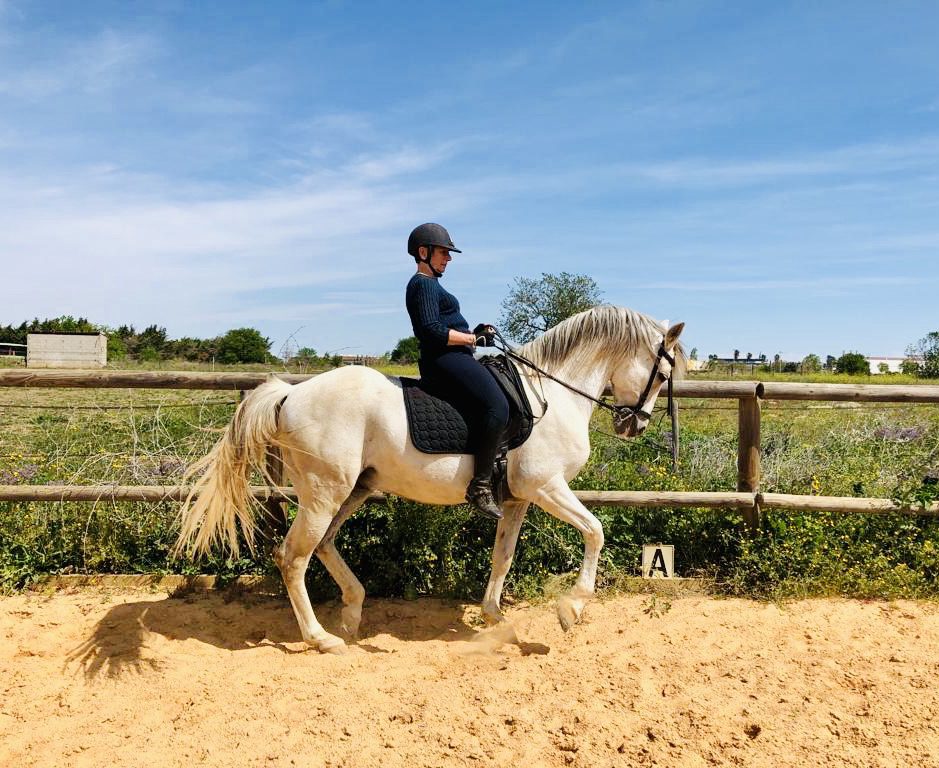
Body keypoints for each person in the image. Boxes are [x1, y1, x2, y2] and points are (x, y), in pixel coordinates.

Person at [405, 222, 509, 520]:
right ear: (423, 252)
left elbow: (447, 326)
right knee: (497, 406)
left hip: (455, 356)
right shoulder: (422, 284)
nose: (448, 258)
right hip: (445, 360)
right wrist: (472, 339)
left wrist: (475, 332)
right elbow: (431, 331)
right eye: (443, 252)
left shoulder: (432, 285)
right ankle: (480, 487)